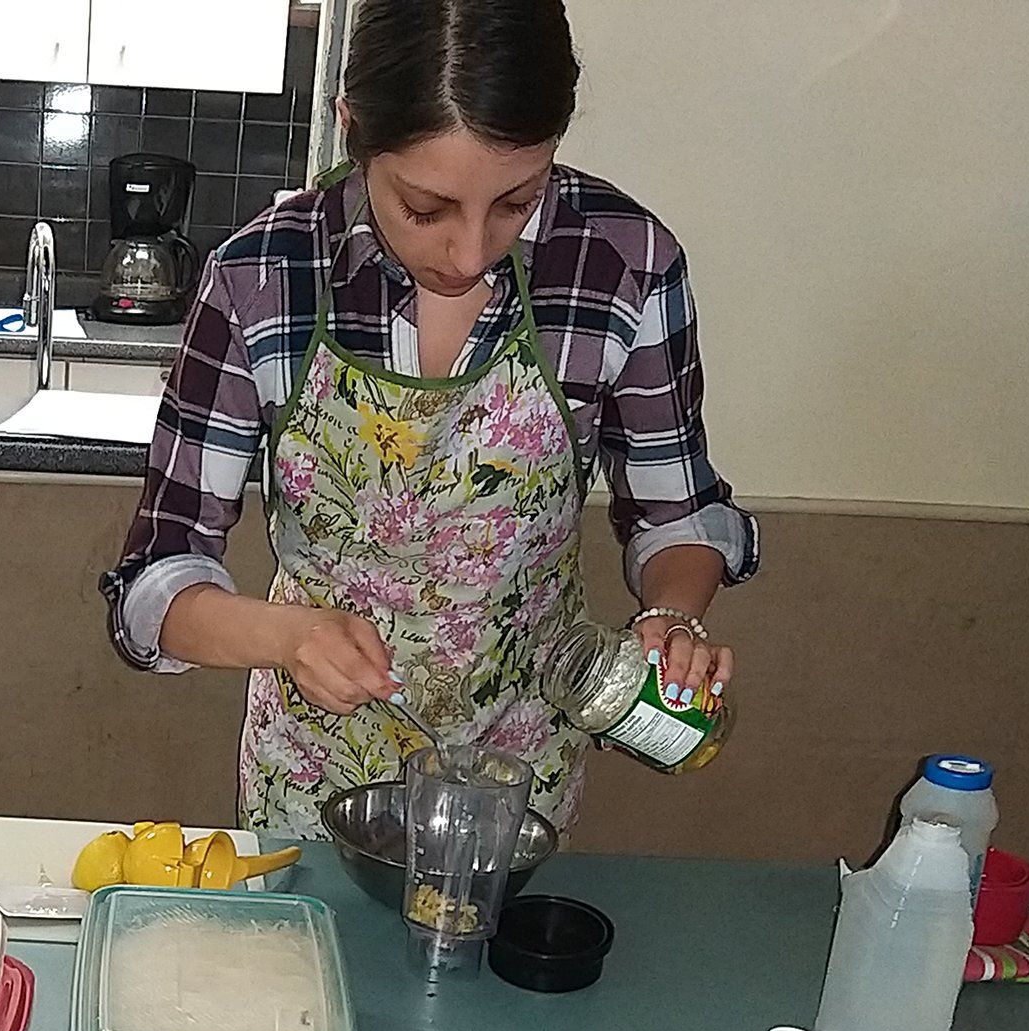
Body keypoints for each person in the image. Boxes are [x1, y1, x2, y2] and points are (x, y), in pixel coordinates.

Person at [101, 0, 759, 838]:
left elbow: (677, 515)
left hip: (518, 777)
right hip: (313, 777)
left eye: (517, 202)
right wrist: (286, 636)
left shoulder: (622, 262)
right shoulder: (263, 277)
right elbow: (155, 584)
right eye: (427, 208)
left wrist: (674, 615)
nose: (472, 252)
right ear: (353, 132)